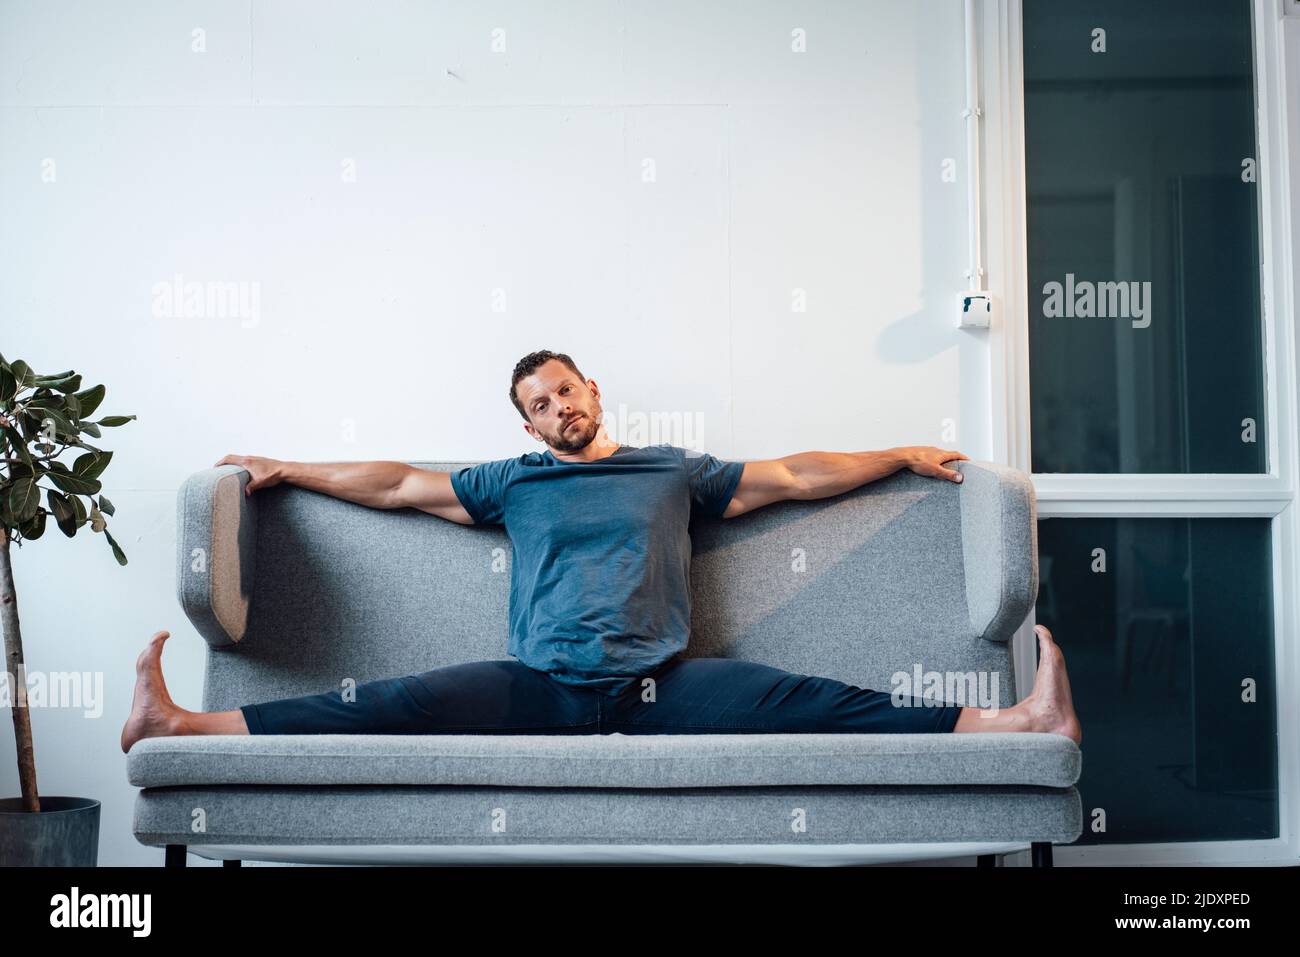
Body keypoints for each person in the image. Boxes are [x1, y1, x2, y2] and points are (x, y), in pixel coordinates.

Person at [121, 350, 1080, 752]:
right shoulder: (511, 483)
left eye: (566, 390)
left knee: (816, 699)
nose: (558, 408)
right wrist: (291, 465)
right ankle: (180, 729)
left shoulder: (673, 470)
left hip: (662, 681)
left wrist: (902, 452)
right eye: (538, 404)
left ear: (594, 390)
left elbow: (794, 475)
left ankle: (1016, 728)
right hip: (538, 683)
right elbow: (398, 482)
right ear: (529, 425)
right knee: (388, 700)